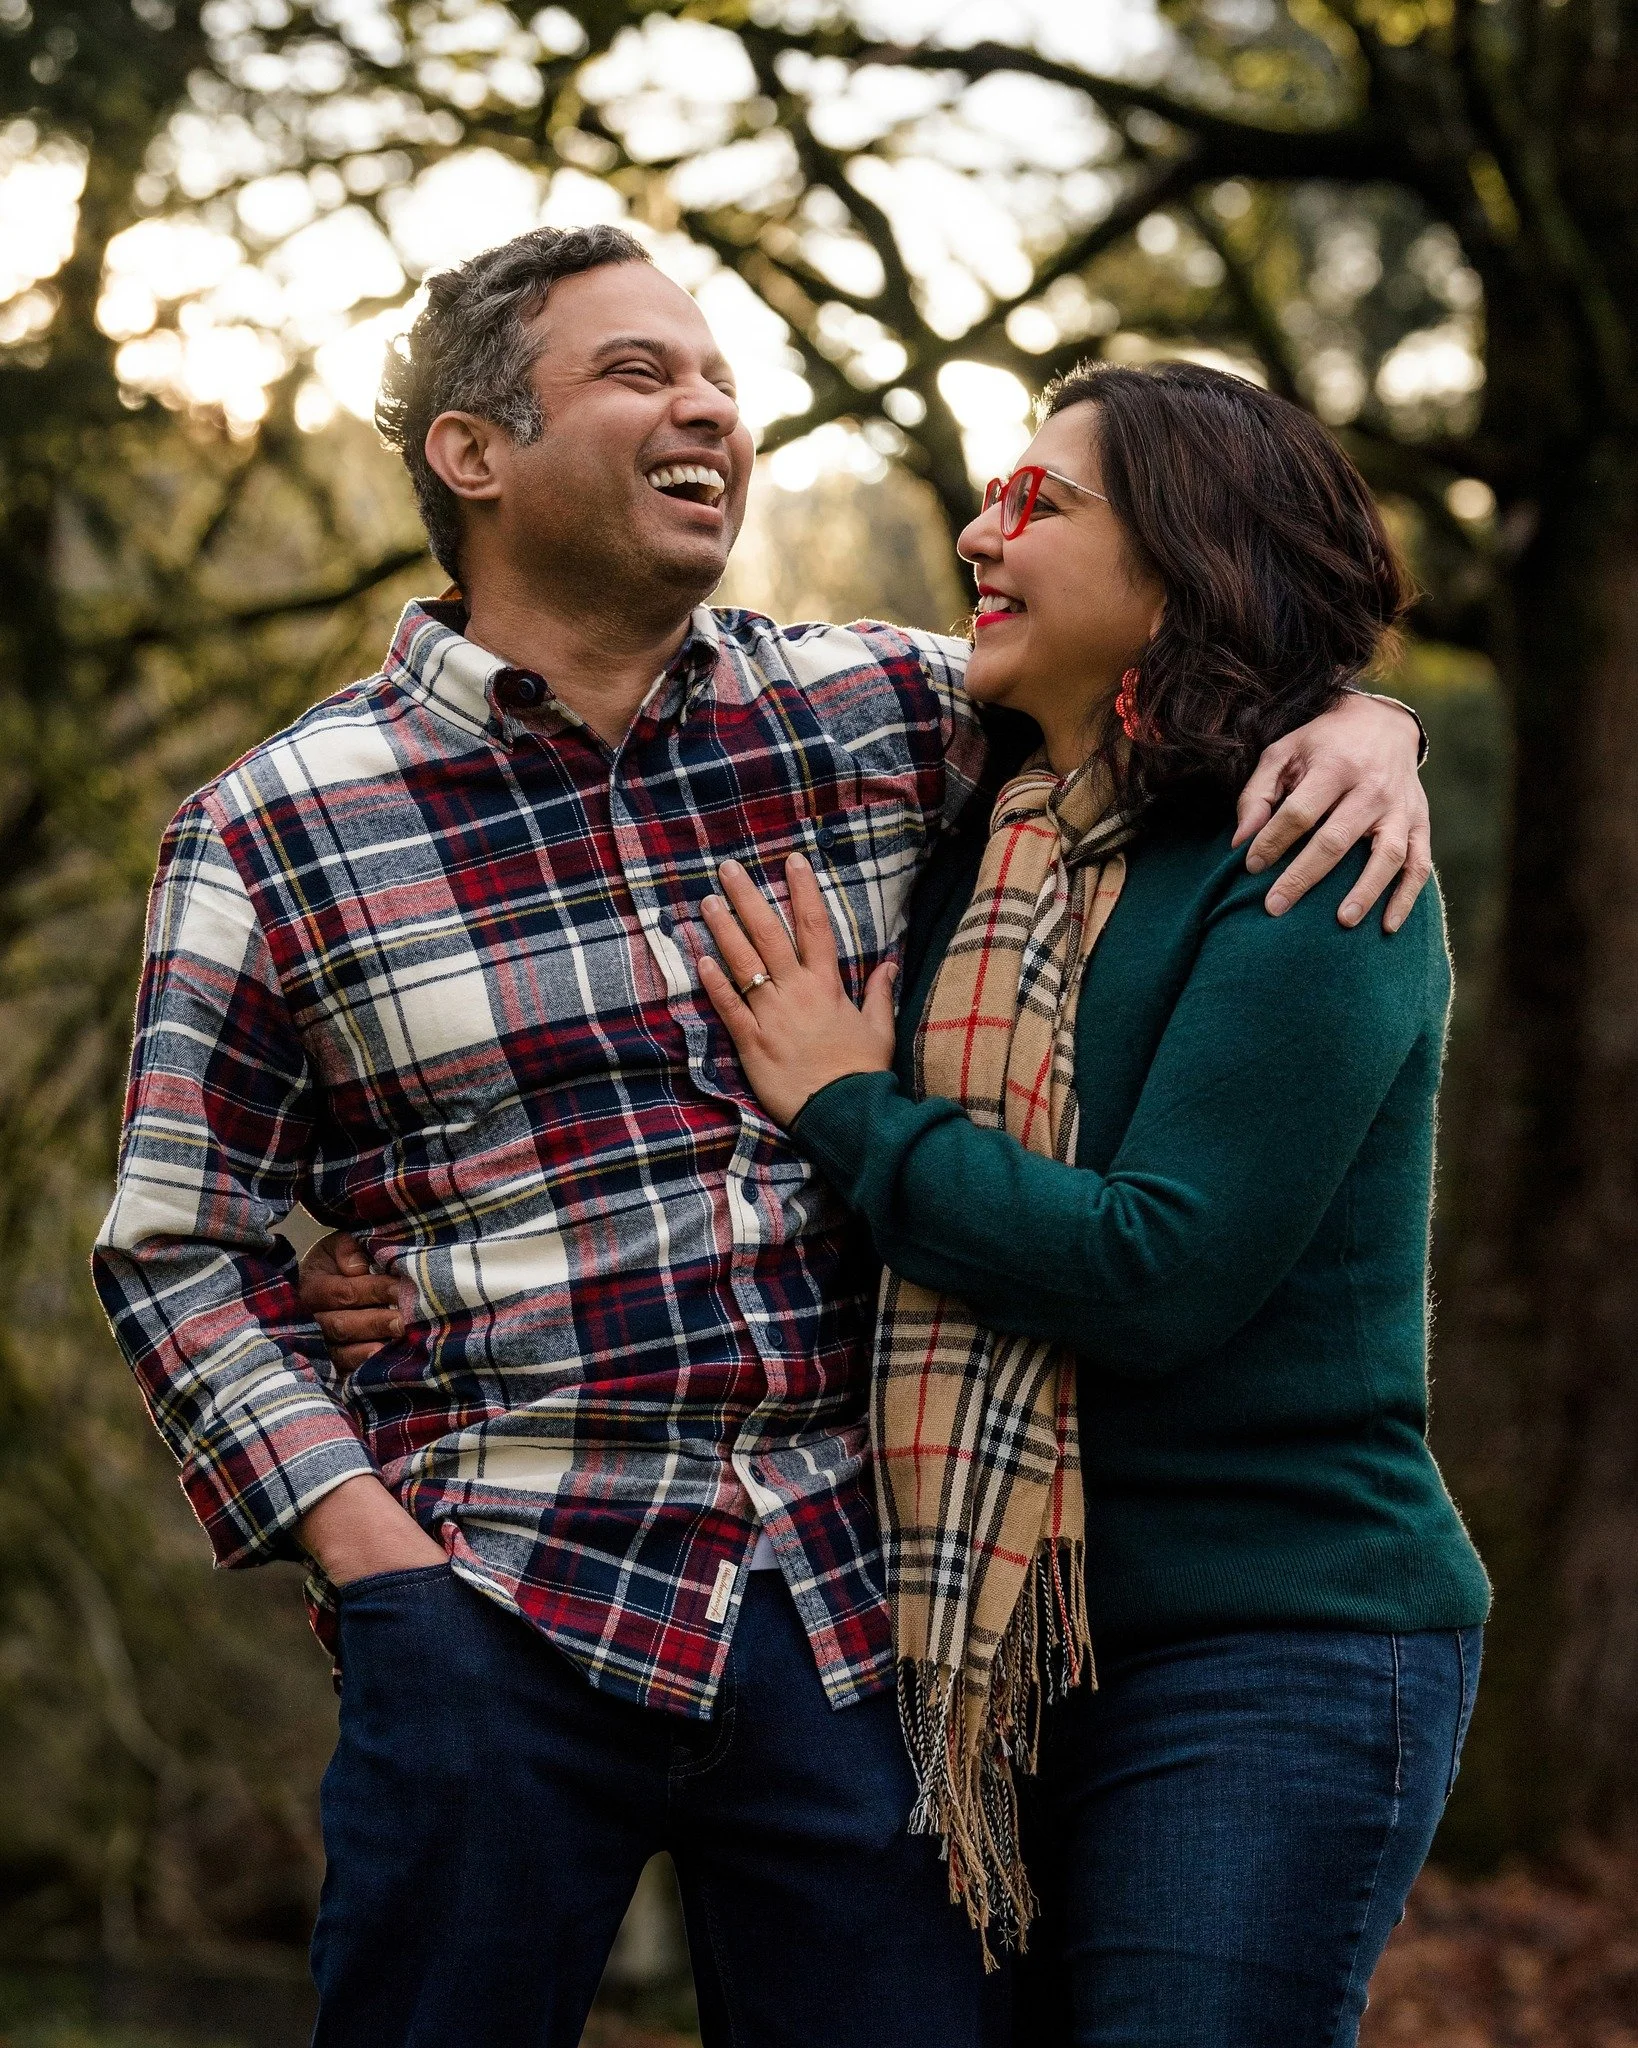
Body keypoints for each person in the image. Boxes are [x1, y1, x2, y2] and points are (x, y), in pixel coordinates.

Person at [92, 219, 1433, 2048]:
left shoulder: (877, 716)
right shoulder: (273, 830)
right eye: (637, 374)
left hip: (846, 1610)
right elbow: (182, 1243)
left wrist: (1368, 720)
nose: (707, 409)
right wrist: (362, 1551)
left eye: (720, 376)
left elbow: (1174, 685)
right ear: (468, 453)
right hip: (492, 1583)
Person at [687, 361, 1489, 2046]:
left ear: (1190, 559)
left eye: (1038, 502)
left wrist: (851, 1105)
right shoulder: (972, 835)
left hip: (1268, 1648)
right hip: (977, 1655)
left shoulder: (1312, 863)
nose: (982, 528)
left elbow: (1152, 1271)